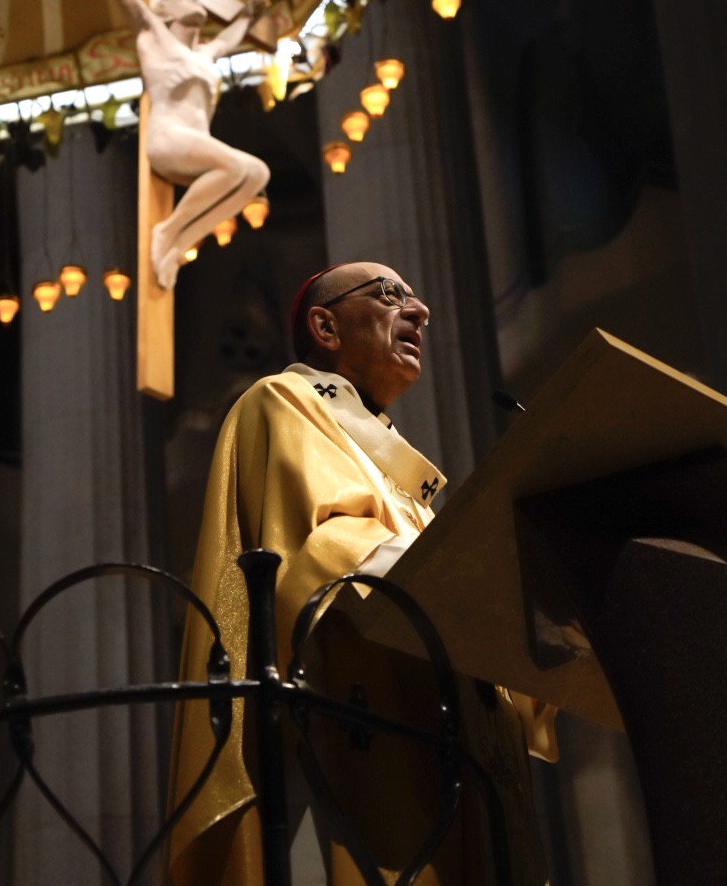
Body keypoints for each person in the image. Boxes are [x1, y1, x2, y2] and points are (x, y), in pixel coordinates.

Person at [166, 262, 555, 886]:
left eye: (414, 297)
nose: (420, 311)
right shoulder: (283, 400)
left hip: (448, 741)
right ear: (325, 327)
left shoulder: (396, 475)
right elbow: (319, 552)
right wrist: (475, 577)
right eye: (390, 295)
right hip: (368, 728)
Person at [66, 0, 271, 290]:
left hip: (196, 143)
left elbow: (228, 38)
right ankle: (169, 231)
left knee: (258, 174)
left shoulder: (205, 54)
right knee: (237, 167)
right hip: (169, 138)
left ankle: (180, 239)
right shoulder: (154, 36)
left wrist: (247, 19)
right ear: (167, 11)